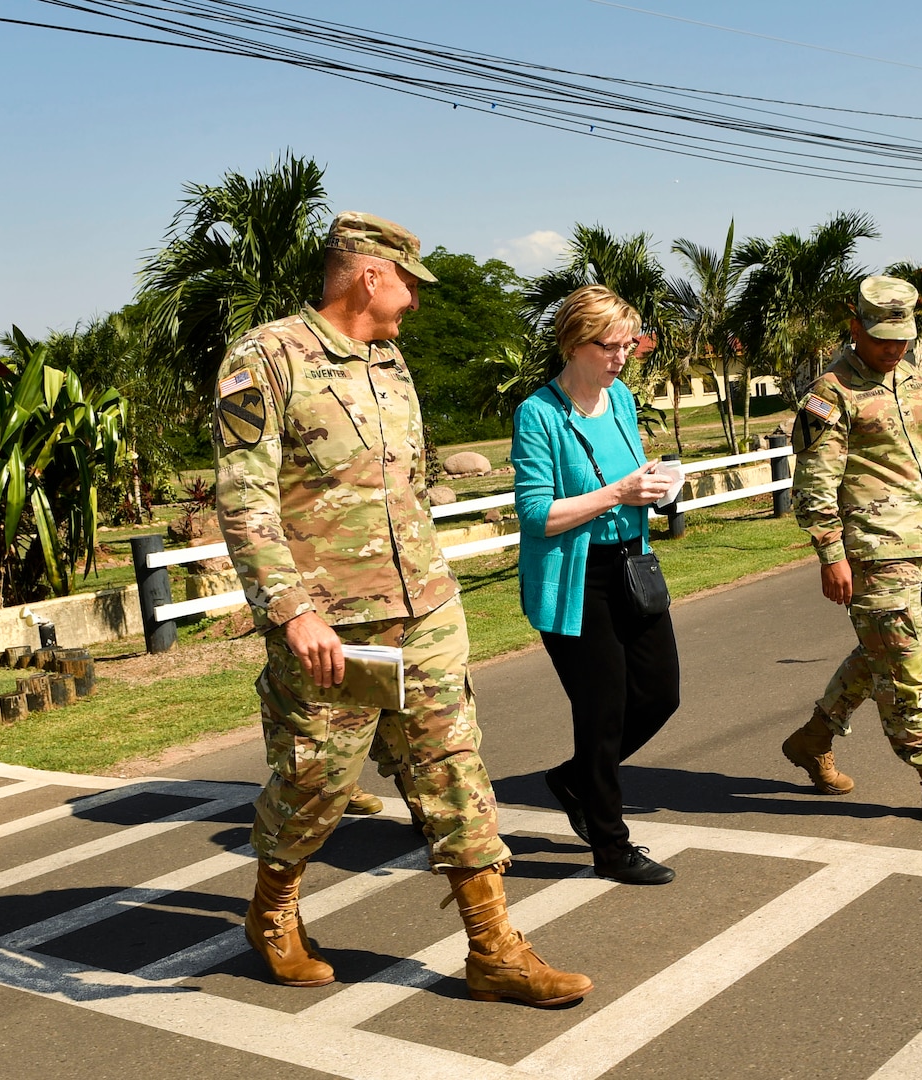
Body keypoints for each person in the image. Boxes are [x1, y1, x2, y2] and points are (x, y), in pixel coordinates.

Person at [213, 211, 591, 1006]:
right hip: (329, 626)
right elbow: (244, 501)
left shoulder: (389, 361)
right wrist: (292, 614)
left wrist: (434, 583)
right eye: (409, 286)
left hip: (421, 609)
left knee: (454, 769)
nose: (414, 303)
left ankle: (494, 950)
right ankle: (272, 911)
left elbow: (407, 486)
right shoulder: (265, 357)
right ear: (370, 276)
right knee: (315, 780)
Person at [782, 275, 922, 829]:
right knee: (903, 666)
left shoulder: (916, 382)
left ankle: (813, 738)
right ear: (855, 327)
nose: (893, 349)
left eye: (902, 338)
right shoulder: (830, 395)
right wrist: (831, 553)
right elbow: (814, 484)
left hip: (916, 546)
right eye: (882, 339)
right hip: (871, 551)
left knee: (880, 651)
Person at [511, 285, 681, 886]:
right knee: (602, 713)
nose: (622, 357)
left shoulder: (622, 398)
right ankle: (611, 844)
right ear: (575, 345)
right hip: (576, 578)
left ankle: (576, 778)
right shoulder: (539, 414)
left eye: (628, 345)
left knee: (660, 695)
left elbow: (628, 471)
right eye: (610, 346)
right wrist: (617, 494)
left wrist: (655, 484)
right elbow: (536, 515)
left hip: (633, 566)